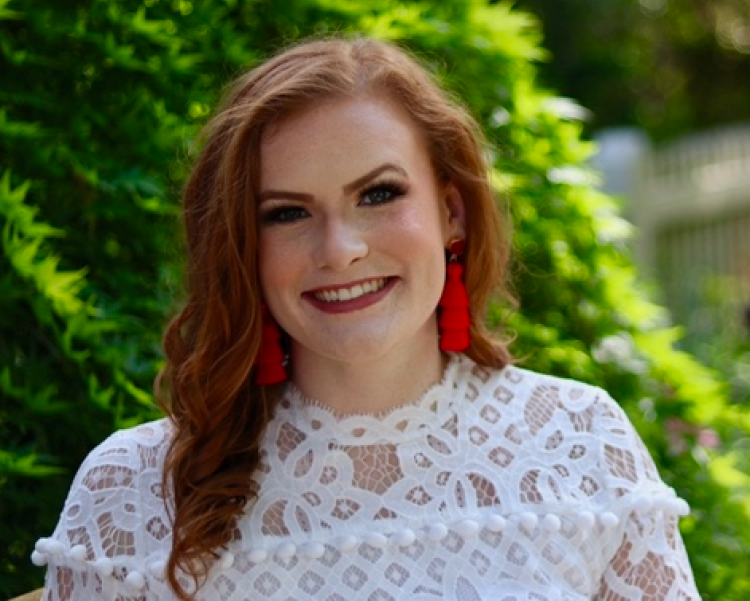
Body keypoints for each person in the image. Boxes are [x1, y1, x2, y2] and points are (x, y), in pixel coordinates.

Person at [32, 37, 701, 600]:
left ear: (451, 211)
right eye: (287, 212)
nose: (340, 249)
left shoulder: (581, 442)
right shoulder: (131, 491)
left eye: (378, 194)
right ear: (242, 245)